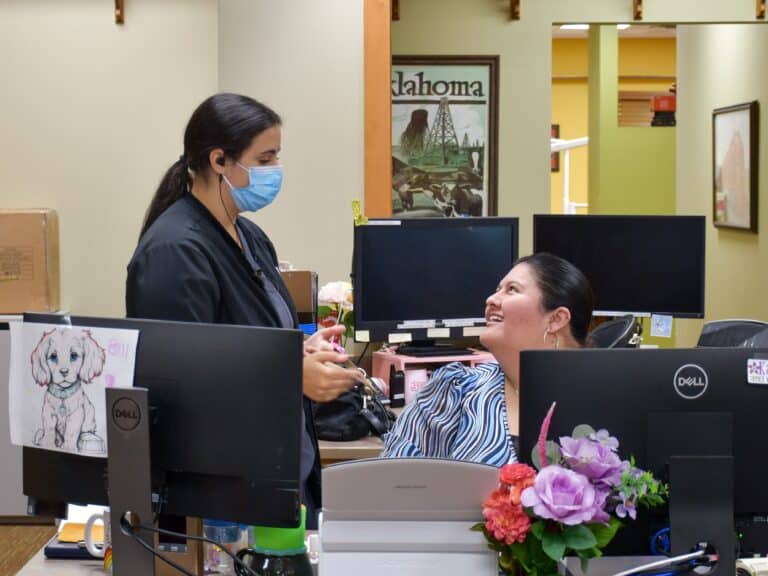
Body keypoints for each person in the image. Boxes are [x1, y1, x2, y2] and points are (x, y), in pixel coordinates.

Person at [125, 93, 362, 528]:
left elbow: (244, 340)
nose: (274, 170)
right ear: (219, 160)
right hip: (220, 495)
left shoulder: (248, 236)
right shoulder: (175, 250)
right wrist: (291, 375)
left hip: (276, 468)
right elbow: (181, 380)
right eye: (265, 158)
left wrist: (302, 350)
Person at [381, 252, 594, 466]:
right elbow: (391, 479)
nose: (491, 300)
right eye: (497, 290)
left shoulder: (606, 397)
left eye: (512, 289)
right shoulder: (456, 389)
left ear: (557, 319)